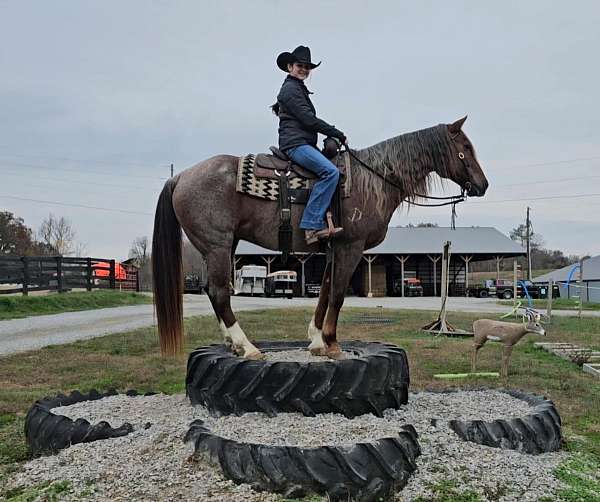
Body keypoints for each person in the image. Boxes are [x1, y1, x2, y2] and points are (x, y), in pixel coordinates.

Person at [273, 45, 346, 245]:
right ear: (290, 67)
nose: (304, 69)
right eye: (300, 65)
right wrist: (337, 133)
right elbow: (309, 120)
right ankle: (312, 225)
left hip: (302, 142)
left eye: (307, 67)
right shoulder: (290, 90)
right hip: (295, 145)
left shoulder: (297, 89)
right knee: (330, 172)